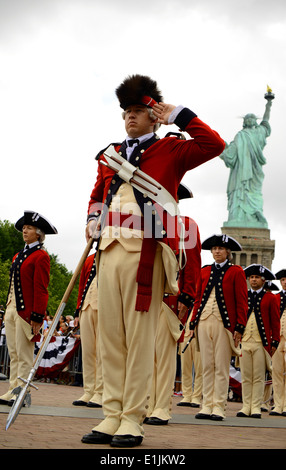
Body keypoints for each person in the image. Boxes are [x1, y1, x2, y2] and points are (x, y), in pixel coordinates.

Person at [82, 74, 225, 447]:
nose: (130, 117)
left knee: (140, 340)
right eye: (126, 111)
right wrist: (91, 220)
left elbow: (215, 144)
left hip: (146, 252)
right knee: (111, 339)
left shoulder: (172, 150)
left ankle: (133, 418)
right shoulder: (109, 155)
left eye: (138, 111)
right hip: (109, 251)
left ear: (152, 116)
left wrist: (175, 113)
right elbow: (98, 196)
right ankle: (111, 416)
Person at [145, 210, 202, 426]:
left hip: (170, 299)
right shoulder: (148, 219)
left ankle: (161, 407)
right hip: (147, 296)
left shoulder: (187, 224)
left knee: (164, 357)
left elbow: (193, 264)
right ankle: (148, 404)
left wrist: (186, 298)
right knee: (147, 356)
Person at [0, 211, 57, 406]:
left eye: (29, 228)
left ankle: (21, 393)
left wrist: (37, 316)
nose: (25, 230)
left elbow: (41, 288)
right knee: (14, 353)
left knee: (24, 355)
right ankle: (12, 390)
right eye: (24, 228)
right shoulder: (19, 254)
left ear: (39, 234)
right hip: (12, 308)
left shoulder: (41, 256)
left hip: (26, 313)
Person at [189, 234, 248, 420]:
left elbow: (241, 301)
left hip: (224, 324)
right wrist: (193, 323)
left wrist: (239, 327)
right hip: (204, 321)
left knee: (221, 367)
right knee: (207, 365)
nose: (217, 252)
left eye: (220, 249)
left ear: (227, 252)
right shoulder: (204, 271)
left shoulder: (236, 272)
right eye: (214, 249)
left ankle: (219, 406)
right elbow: (198, 298)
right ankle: (206, 405)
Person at [220, 94, 273, 228]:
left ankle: (255, 213)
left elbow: (266, 119)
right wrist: (222, 148)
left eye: (252, 118)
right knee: (240, 191)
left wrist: (269, 103)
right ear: (244, 121)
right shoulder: (240, 135)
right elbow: (230, 154)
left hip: (254, 171)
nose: (249, 119)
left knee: (253, 192)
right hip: (239, 172)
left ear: (255, 121)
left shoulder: (260, 132)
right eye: (247, 118)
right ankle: (237, 216)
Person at [237, 264, 280, 418]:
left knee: (259, 377)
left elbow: (275, 321)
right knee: (246, 376)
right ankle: (245, 406)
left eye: (256, 277)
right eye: (251, 277)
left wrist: (275, 341)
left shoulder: (271, 298)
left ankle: (256, 406)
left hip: (261, 343)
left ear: (263, 280)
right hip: (245, 340)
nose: (253, 280)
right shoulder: (244, 295)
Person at [72, 252, 103, 408]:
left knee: (102, 352)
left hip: (104, 307)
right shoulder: (89, 259)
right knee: (88, 352)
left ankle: (101, 392)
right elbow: (82, 286)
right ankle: (89, 390)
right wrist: (78, 311)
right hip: (86, 306)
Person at [270, 269, 286, 416]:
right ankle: (278, 404)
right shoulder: (275, 298)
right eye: (282, 280)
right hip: (278, 338)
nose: (285, 282)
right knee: (277, 372)